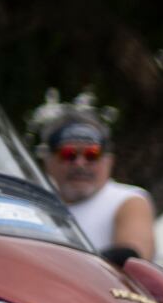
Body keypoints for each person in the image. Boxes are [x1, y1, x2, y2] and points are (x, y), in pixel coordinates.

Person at [35, 105, 155, 257]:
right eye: (68, 154)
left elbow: (134, 259)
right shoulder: (34, 203)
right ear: (48, 161)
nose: (80, 163)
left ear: (109, 161)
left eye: (92, 155)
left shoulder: (128, 201)